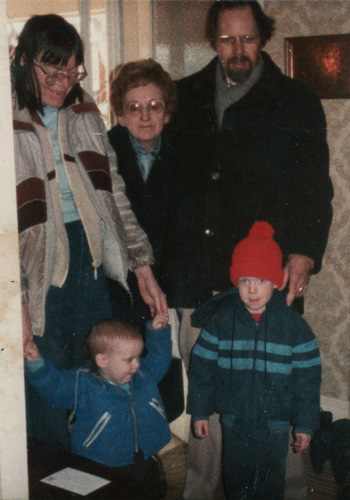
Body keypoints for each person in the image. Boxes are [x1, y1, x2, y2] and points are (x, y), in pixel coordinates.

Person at [163, 1, 333, 498]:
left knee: (275, 395)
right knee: (207, 392)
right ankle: (200, 488)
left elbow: (313, 190)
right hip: (199, 273)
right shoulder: (184, 97)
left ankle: (290, 489)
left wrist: (303, 252)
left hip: (268, 276)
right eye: (226, 39)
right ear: (212, 41)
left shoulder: (296, 100)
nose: (237, 50)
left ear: (264, 37)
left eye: (248, 38)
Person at [12, 14, 166, 449]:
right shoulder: (7, 115)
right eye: (53, 71)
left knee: (97, 377)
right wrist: (16, 302)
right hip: (37, 268)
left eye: (73, 71)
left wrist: (141, 265)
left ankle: (98, 470)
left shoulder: (85, 111)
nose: (64, 83)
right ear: (24, 60)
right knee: (45, 379)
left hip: (91, 260)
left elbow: (114, 194)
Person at [187, 221, 322, 500]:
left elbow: (308, 382)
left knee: (270, 484)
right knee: (236, 481)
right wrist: (200, 411)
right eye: (244, 280)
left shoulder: (294, 327)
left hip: (275, 426)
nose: (251, 290)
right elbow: (201, 369)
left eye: (261, 280)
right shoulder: (221, 321)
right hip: (234, 422)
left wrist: (305, 425)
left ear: (276, 281)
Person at [24, 312, 171, 500]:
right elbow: (55, 389)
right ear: (102, 360)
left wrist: (158, 333)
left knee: (151, 491)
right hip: (98, 461)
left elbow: (160, 357)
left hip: (144, 456)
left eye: (138, 357)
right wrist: (37, 365)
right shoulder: (83, 382)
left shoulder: (143, 375)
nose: (136, 365)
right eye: (129, 360)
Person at [108, 59, 177, 331]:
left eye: (154, 107)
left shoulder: (185, 152)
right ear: (121, 116)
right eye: (134, 108)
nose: (145, 117)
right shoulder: (105, 151)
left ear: (167, 113)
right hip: (120, 280)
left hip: (171, 278)